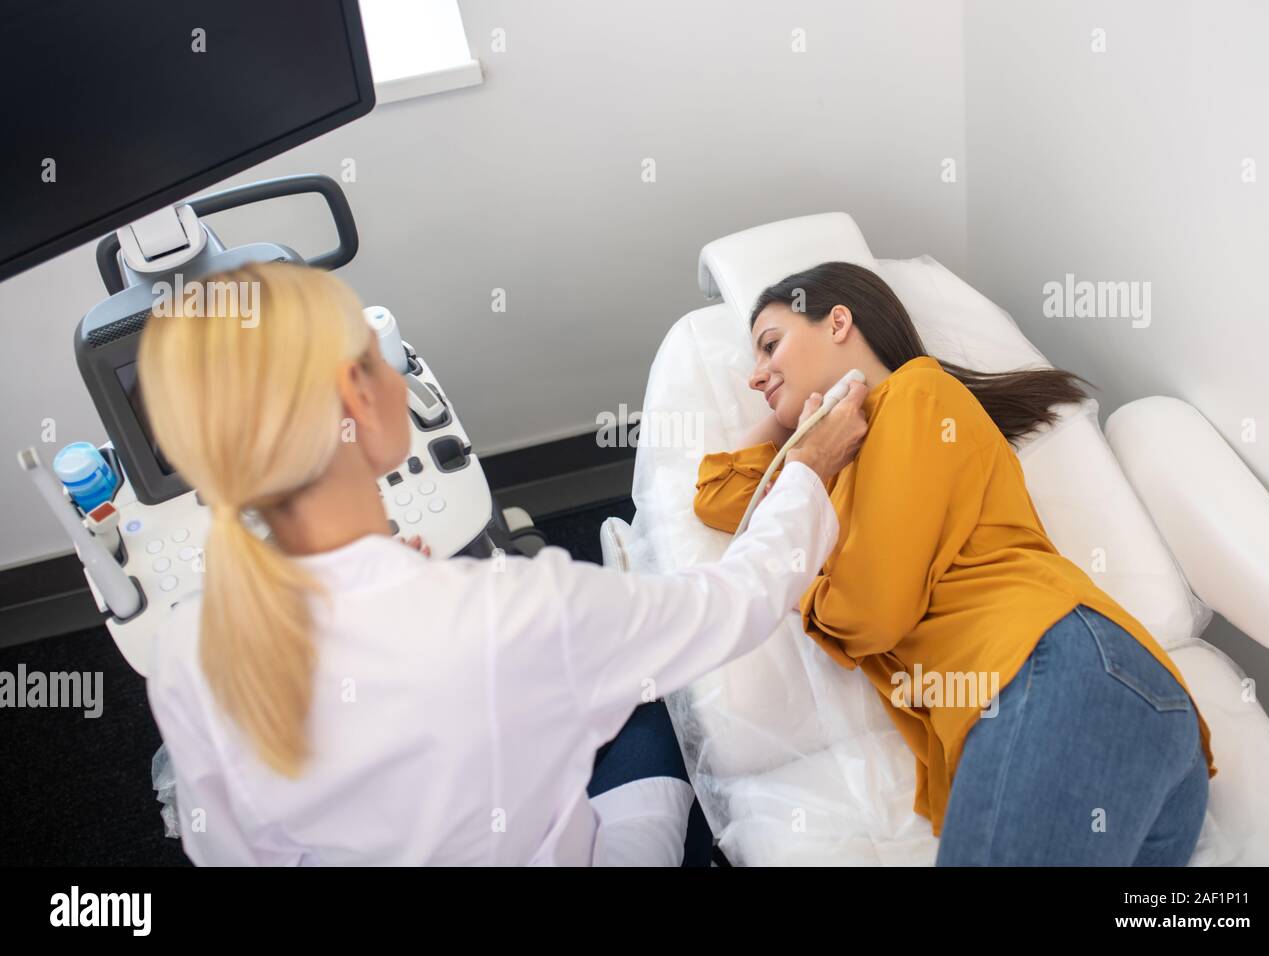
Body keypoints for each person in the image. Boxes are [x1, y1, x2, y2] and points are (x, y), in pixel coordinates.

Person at [137, 260, 868, 865]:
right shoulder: (516, 610)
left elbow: (224, 852)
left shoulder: (183, 648)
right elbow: (737, 599)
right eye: (380, 352)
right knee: (656, 711)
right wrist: (807, 467)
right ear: (356, 396)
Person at [694, 261, 1217, 865]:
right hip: (1106, 710)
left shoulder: (919, 393)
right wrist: (801, 428)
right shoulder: (828, 471)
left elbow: (871, 613)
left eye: (770, 344)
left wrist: (798, 582)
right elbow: (720, 497)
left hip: (1057, 674)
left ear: (839, 321)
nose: (756, 376)